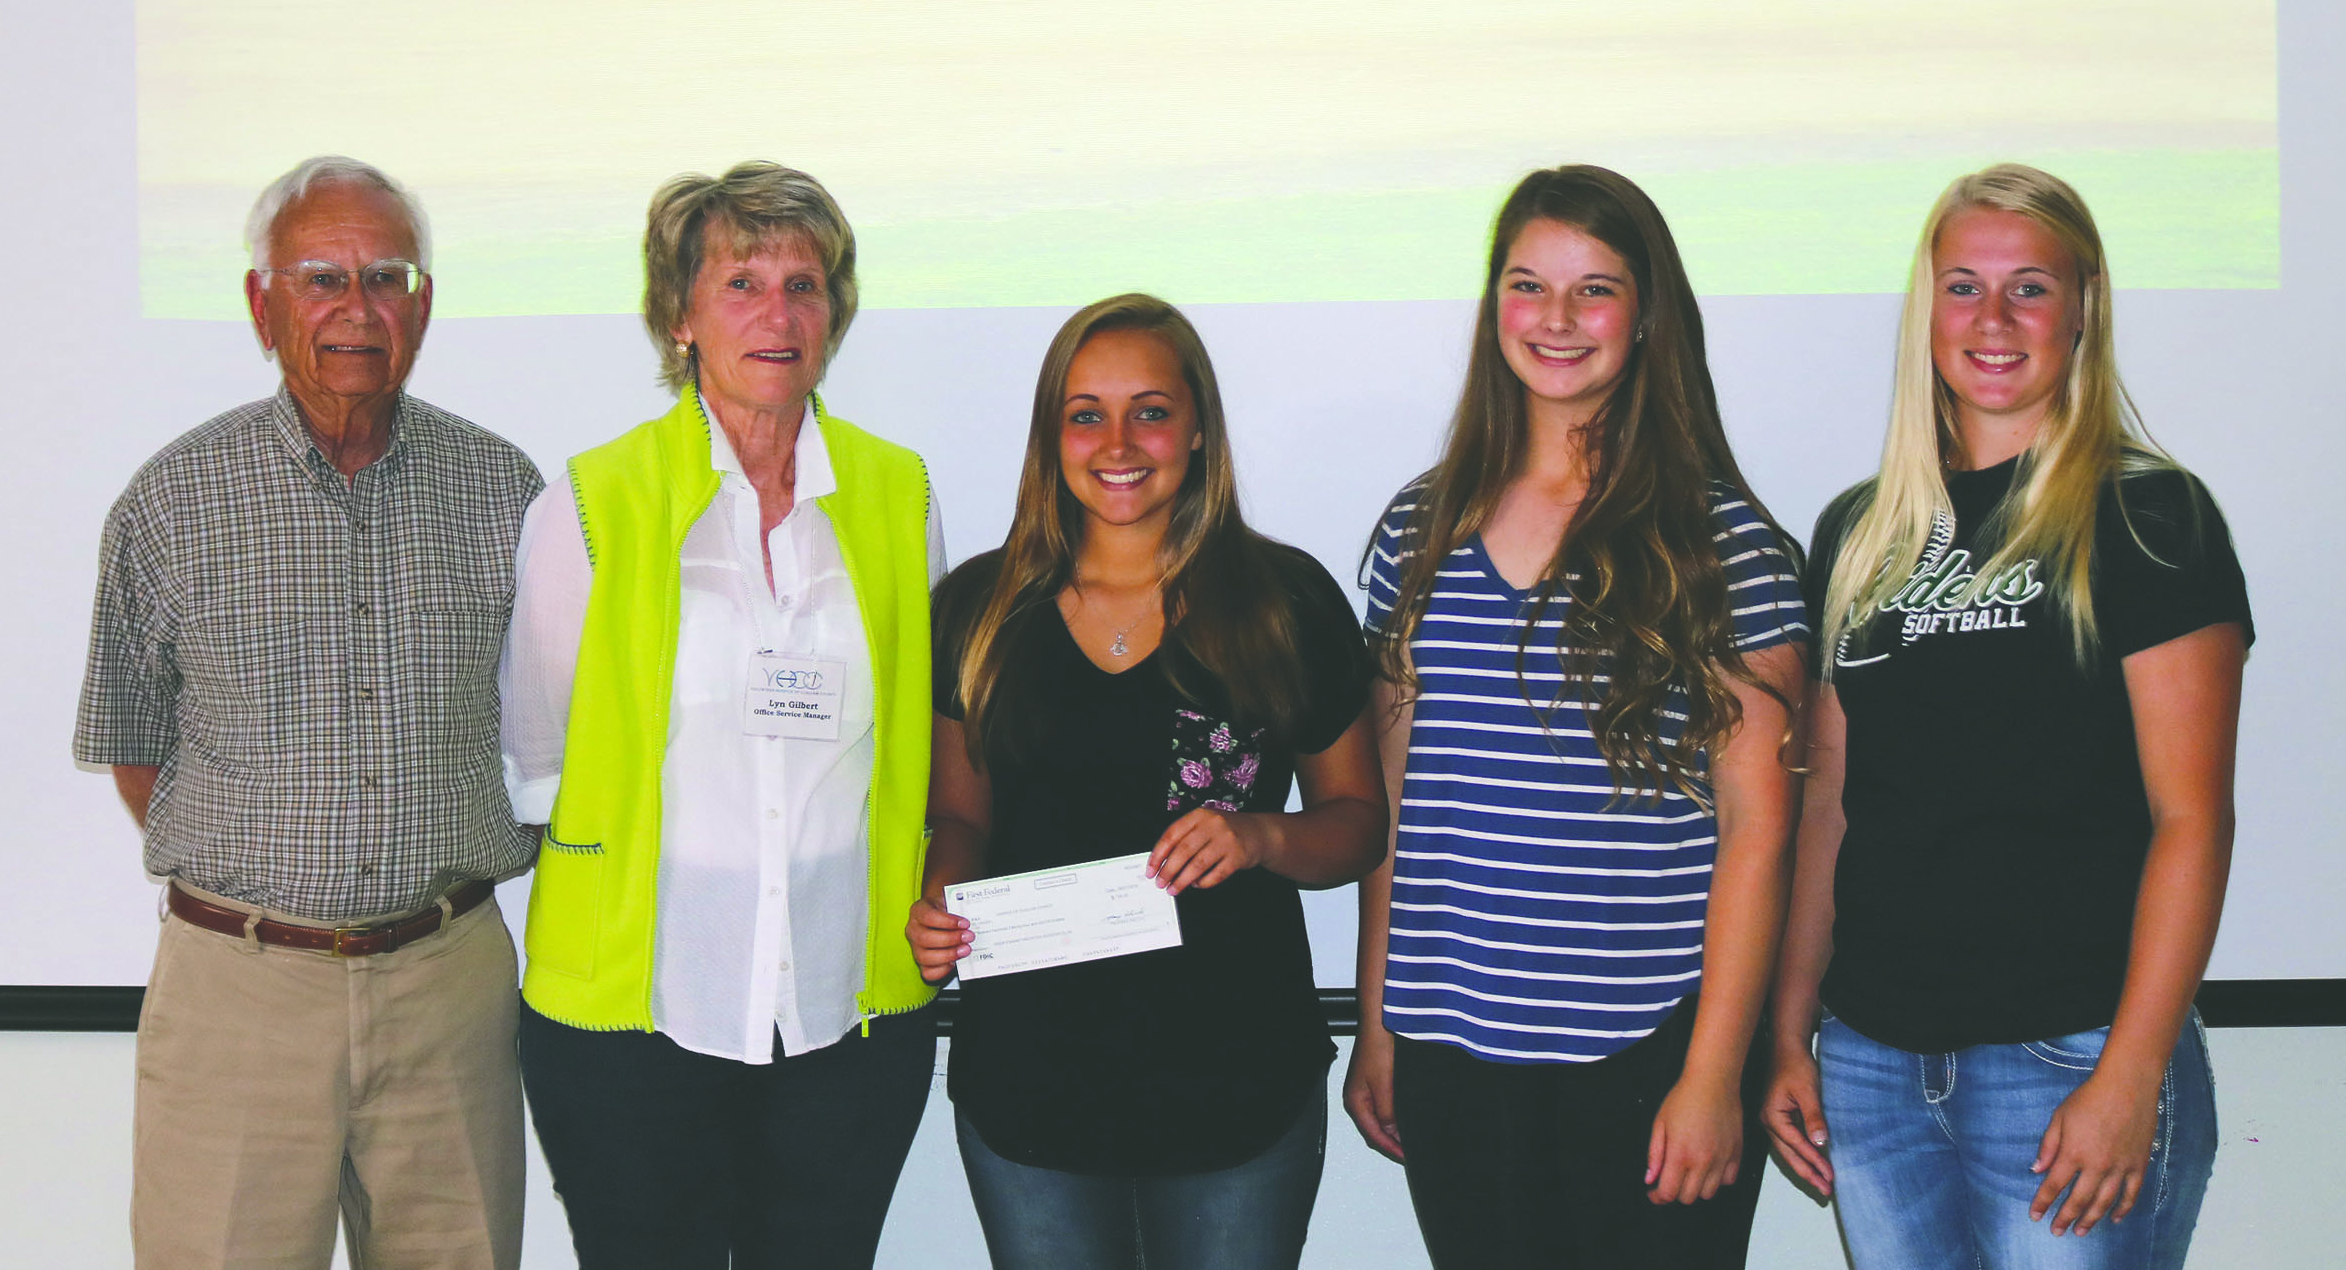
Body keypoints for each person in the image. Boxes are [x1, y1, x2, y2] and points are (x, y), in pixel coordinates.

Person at [1761, 164, 2247, 1270]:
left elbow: (2192, 822)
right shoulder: (1858, 531)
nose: (1992, 319)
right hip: (1875, 1062)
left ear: (2083, 311)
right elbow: (1833, 802)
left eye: (2030, 287)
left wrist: (2130, 1074)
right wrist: (1793, 1031)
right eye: (1963, 285)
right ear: (1924, 308)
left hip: (2069, 1051)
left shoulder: (2149, 517)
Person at [76, 156, 538, 1268]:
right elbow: (139, 749)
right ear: (261, 304)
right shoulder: (172, 500)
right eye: (320, 277)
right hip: (241, 992)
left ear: (422, 305)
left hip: (449, 985)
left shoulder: (506, 493)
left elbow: (548, 732)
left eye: (386, 276)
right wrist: (275, 885)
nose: (356, 307)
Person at [1343, 166, 1809, 1269]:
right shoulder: (1419, 529)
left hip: (1656, 1053)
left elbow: (1759, 831)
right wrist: (1376, 1025)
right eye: (1526, 284)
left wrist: (1712, 1073)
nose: (1556, 320)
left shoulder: (1726, 543)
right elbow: (1394, 810)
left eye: (1593, 289)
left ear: (1647, 316)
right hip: (1453, 1053)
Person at [505, 162, 943, 1270]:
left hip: (848, 1014)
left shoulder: (900, 494)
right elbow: (541, 756)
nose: (778, 312)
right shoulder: (591, 501)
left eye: (806, 283)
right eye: (741, 280)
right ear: (678, 315)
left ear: (835, 314)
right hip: (638, 1020)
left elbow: (920, 738)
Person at [911, 294, 1386, 1270]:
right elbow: (959, 811)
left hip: (1237, 1086)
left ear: (1198, 425)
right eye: (1086, 412)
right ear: (1053, 435)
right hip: (1031, 1087)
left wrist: (1263, 836)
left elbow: (1357, 823)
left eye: (1151, 410)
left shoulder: (1284, 601)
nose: (1118, 441)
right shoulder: (978, 609)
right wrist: (940, 896)